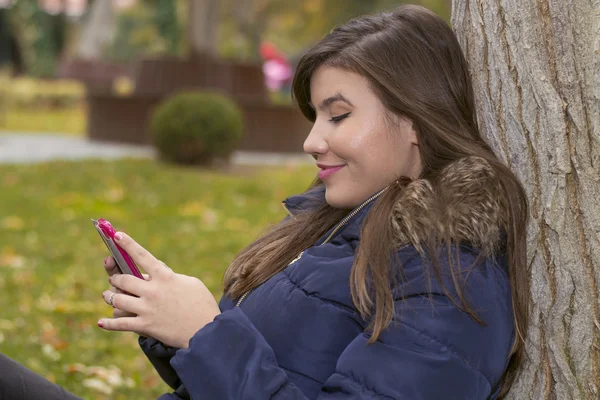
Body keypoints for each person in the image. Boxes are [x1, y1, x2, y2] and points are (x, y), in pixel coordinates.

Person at [0, 4, 530, 399]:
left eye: (338, 115)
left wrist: (205, 334)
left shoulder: (454, 283)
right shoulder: (336, 230)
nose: (312, 141)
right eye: (314, 117)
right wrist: (174, 324)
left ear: (415, 121)